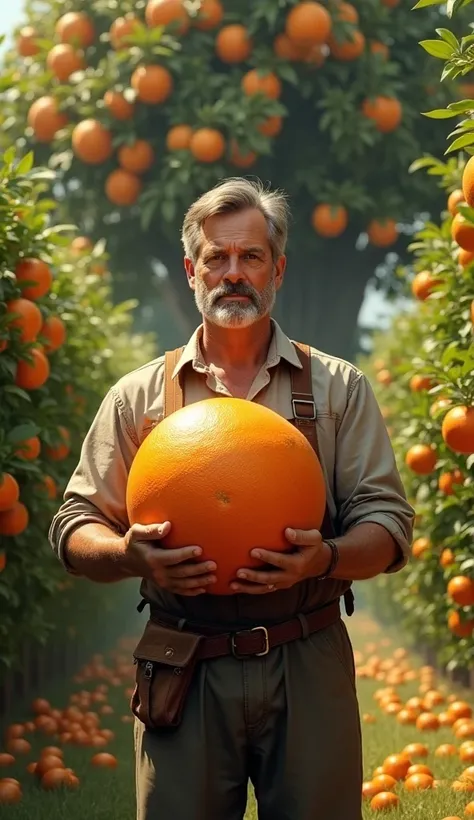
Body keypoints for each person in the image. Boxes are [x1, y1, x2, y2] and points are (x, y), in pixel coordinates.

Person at [49, 176, 414, 820]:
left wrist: (323, 559)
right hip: (183, 657)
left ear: (278, 267)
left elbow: (388, 526)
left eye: (250, 256)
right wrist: (129, 554)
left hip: (307, 654)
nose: (232, 273)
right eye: (216, 257)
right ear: (192, 270)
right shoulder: (140, 398)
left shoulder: (336, 388)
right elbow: (75, 524)